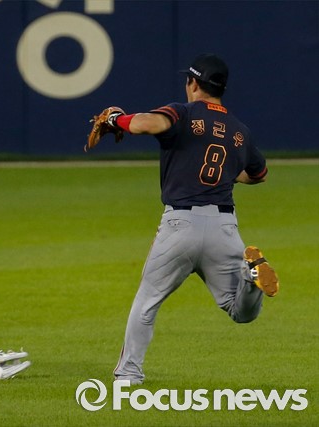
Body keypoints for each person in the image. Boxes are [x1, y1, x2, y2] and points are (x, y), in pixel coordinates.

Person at [95, 53, 279, 385]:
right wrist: (227, 174)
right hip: (224, 229)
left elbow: (144, 124)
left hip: (180, 226)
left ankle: (129, 374)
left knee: (148, 301)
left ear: (193, 83)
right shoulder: (239, 131)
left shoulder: (183, 113)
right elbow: (259, 175)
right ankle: (250, 276)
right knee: (240, 312)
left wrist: (117, 119)